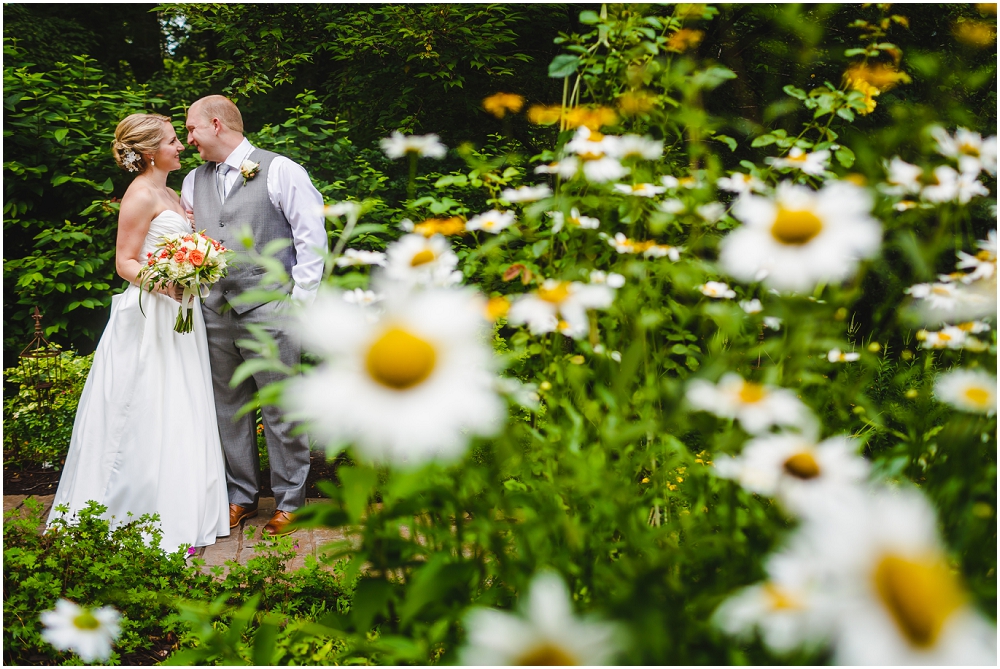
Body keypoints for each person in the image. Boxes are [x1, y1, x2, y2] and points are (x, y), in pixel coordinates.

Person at [48, 113, 230, 553]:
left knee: (180, 402)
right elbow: (126, 262)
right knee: (148, 404)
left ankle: (185, 503)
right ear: (150, 152)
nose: (180, 146)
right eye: (172, 140)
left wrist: (194, 269)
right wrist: (170, 283)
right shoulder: (139, 194)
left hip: (180, 316)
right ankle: (130, 505)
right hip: (151, 314)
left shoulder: (169, 192)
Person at [180, 95, 326, 537]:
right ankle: (240, 496)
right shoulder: (192, 180)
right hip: (215, 311)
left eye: (191, 130)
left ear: (217, 124)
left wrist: (297, 305)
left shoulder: (282, 170)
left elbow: (312, 239)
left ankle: (290, 501)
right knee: (229, 409)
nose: (189, 140)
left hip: (271, 309)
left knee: (281, 409)